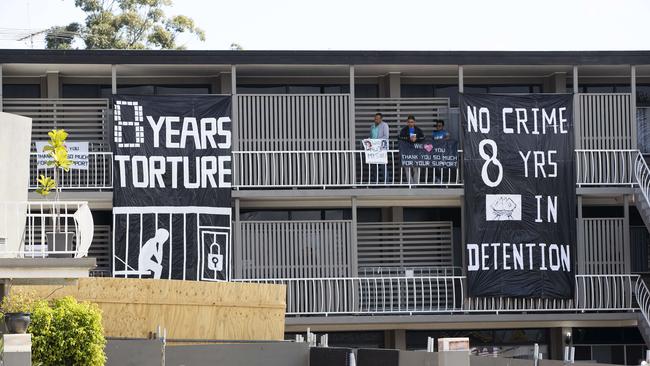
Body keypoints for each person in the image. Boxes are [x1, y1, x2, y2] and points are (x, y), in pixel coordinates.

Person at [398, 115, 424, 184]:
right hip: (406, 152)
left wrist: (417, 139)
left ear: (414, 122)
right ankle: (410, 184)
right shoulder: (404, 130)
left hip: (416, 152)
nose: (410, 123)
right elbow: (400, 138)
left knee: (416, 168)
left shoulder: (418, 130)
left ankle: (416, 184)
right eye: (409, 122)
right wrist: (408, 138)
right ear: (407, 122)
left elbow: (423, 138)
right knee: (407, 169)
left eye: (412, 122)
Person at [368, 112, 389, 184]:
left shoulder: (384, 125)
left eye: (378, 119)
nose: (376, 120)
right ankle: (375, 183)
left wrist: (376, 141)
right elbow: (371, 136)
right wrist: (369, 140)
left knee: (383, 165)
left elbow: (386, 136)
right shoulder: (372, 126)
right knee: (374, 166)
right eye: (375, 118)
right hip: (373, 149)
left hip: (381, 148)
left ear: (381, 119)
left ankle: (386, 183)